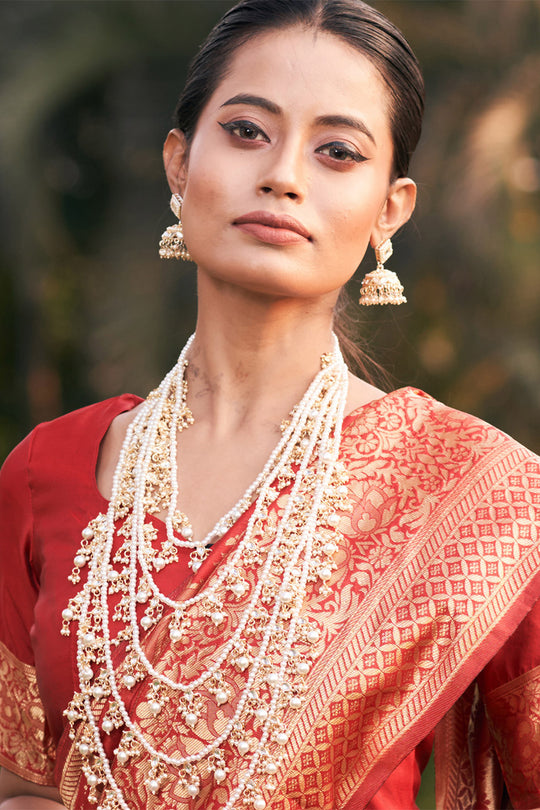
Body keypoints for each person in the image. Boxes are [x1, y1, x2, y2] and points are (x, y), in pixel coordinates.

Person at [0, 0, 539, 808]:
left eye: (338, 151)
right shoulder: (49, 468)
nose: (284, 174)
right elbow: (25, 785)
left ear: (390, 210)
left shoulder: (480, 494)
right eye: (248, 131)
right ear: (179, 164)